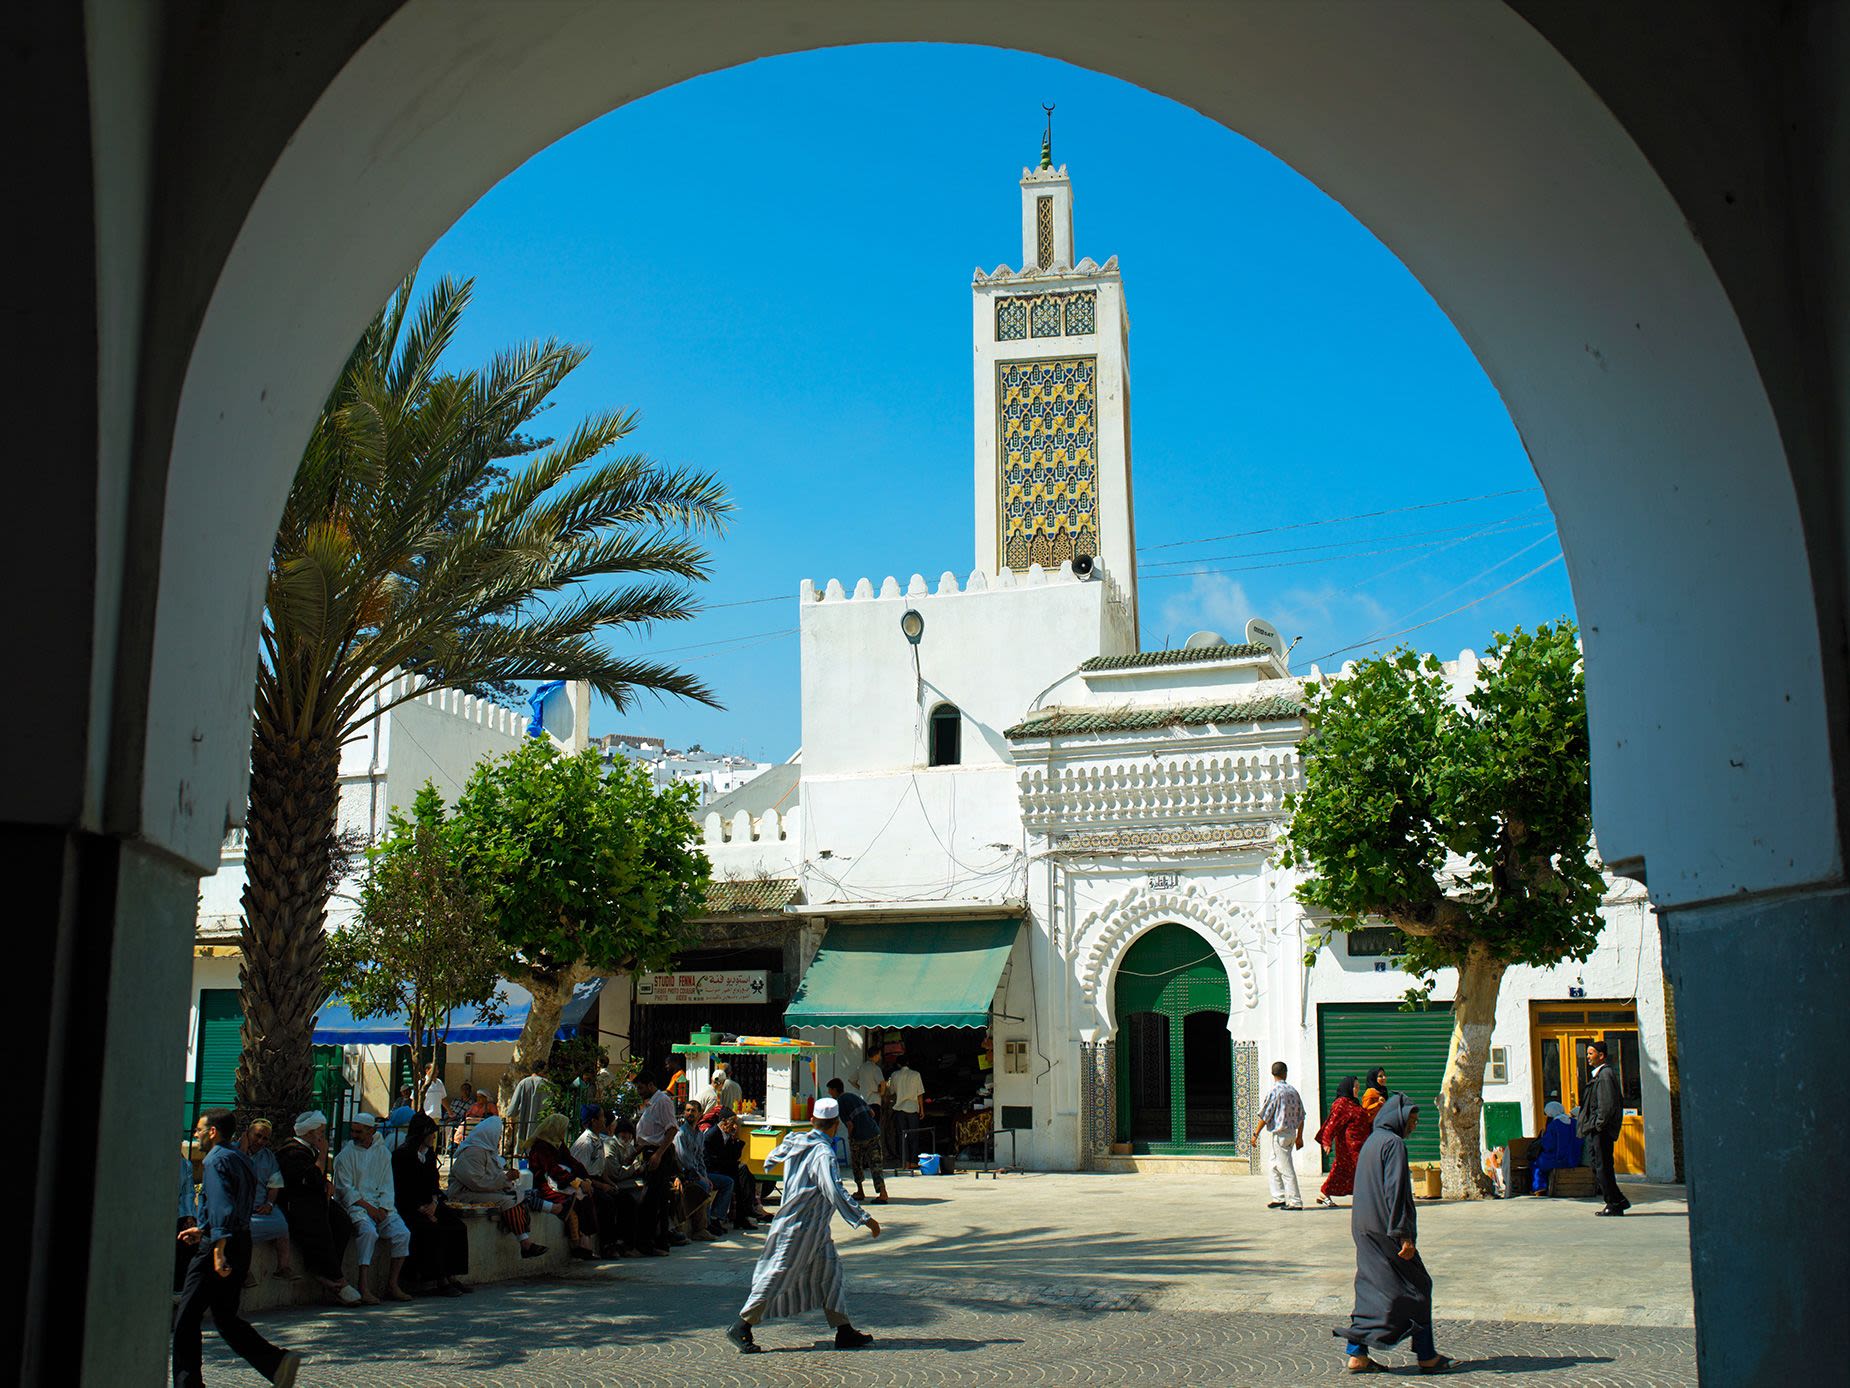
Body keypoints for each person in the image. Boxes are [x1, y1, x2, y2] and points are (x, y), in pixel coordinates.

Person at [725, 1097, 881, 1354]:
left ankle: (844, 1330)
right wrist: (865, 1218)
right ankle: (742, 1325)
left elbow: (773, 1156)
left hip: (816, 1228)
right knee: (778, 1274)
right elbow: (834, 1189)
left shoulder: (799, 1140)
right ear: (835, 1126)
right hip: (799, 1228)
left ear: (812, 1121)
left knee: (832, 1273)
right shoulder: (822, 1153)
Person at [172, 1110, 304, 1388]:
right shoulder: (240, 1158)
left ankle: (188, 1383)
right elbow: (234, 1203)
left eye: (198, 1129)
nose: (194, 1134)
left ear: (212, 1132)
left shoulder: (215, 1161)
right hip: (240, 1240)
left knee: (185, 1319)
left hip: (219, 1248)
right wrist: (204, 1228)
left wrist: (217, 1247)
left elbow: (222, 1205)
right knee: (226, 1318)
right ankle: (276, 1362)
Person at [1337, 1093, 1453, 1374]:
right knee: (1419, 1286)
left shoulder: (1372, 1142)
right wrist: (1404, 1234)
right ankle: (1426, 1355)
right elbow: (1396, 1190)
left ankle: (1357, 1354)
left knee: (1370, 1286)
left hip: (1364, 1226)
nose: (1414, 1124)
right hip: (1386, 1229)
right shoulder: (1393, 1144)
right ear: (1398, 1118)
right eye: (1411, 1119)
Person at [272, 1111, 360, 1304]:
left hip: (314, 1199)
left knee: (342, 1222)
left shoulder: (308, 1150)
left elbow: (317, 1179)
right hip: (297, 1205)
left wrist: (326, 1183)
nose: (322, 1135)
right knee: (319, 1227)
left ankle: (328, 1270)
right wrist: (321, 1158)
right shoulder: (292, 1152)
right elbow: (308, 1178)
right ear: (309, 1133)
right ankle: (337, 1279)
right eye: (319, 1131)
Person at [332, 1112, 413, 1302]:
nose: (354, 1135)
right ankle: (363, 1285)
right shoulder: (345, 1156)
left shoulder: (383, 1153)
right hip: (357, 1207)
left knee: (402, 1234)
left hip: (380, 1206)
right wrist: (369, 1208)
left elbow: (387, 1184)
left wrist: (384, 1208)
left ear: (371, 1131)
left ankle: (392, 1284)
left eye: (359, 1131)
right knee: (368, 1233)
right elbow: (345, 1190)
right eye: (352, 1131)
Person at [392, 1112, 470, 1295]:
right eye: (430, 1134)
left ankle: (452, 1274)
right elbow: (401, 1189)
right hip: (410, 1207)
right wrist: (423, 1210)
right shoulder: (402, 1156)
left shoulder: (428, 1155)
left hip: (430, 1204)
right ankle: (439, 1279)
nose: (433, 1138)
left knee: (456, 1226)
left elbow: (434, 1184)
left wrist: (434, 1204)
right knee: (431, 1230)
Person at [446, 1115, 546, 1259]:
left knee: (516, 1195)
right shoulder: (472, 1152)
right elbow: (477, 1182)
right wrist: (505, 1178)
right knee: (508, 1200)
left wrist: (506, 1181)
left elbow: (492, 1177)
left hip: (477, 1190)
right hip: (463, 1193)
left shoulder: (486, 1151)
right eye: (498, 1136)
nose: (499, 1139)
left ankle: (526, 1242)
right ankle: (525, 1244)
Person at [524, 1112, 602, 1259]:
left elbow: (573, 1162)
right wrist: (578, 1182)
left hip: (562, 1183)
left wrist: (586, 1179)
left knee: (587, 1199)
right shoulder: (541, 1146)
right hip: (546, 1186)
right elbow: (553, 1169)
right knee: (573, 1202)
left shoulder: (558, 1144)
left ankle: (585, 1243)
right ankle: (576, 1243)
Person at [1576, 1038, 1632, 1216]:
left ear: (1601, 1056)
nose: (1588, 1057)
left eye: (1591, 1053)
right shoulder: (1599, 1075)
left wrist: (1598, 1125)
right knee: (1598, 1166)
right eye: (1587, 1054)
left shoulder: (1605, 1075)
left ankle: (1614, 1203)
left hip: (1601, 1130)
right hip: (1597, 1129)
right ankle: (1618, 1200)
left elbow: (1606, 1105)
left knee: (1602, 1167)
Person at [239, 1118, 298, 1282]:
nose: (260, 1141)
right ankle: (244, 1271)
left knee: (282, 1226)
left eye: (265, 1138)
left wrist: (269, 1204)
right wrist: (243, 1150)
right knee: (244, 1232)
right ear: (247, 1134)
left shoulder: (268, 1157)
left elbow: (275, 1184)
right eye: (257, 1136)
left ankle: (283, 1267)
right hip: (240, 1208)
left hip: (261, 1207)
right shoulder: (234, 1152)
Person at [1251, 1060, 1306, 1211]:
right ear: (1285, 1073)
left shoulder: (1275, 1091)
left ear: (1272, 1073)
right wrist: (1299, 1136)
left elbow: (1265, 1115)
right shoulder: (1293, 1091)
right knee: (1274, 1166)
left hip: (1280, 1135)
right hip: (1291, 1133)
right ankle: (1279, 1197)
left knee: (1286, 1168)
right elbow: (1302, 1115)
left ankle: (1295, 1201)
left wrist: (1255, 1134)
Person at [1315, 1076, 1374, 1209]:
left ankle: (1325, 1193)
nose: (1357, 1089)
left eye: (1358, 1086)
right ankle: (1365, 1197)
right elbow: (1332, 1123)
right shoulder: (1341, 1103)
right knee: (1361, 1169)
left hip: (1359, 1144)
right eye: (1355, 1086)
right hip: (1349, 1146)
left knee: (1343, 1171)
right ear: (1348, 1087)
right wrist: (1326, 1142)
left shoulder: (1354, 1102)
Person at [826, 1077, 888, 1204]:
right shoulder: (853, 1096)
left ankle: (860, 1191)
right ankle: (883, 1193)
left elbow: (850, 1125)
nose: (828, 1093)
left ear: (834, 1090)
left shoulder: (840, 1102)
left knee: (857, 1164)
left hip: (859, 1137)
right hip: (873, 1132)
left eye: (829, 1090)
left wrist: (851, 1138)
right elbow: (872, 1113)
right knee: (876, 1164)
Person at [677, 1099, 734, 1236]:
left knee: (728, 1182)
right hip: (687, 1174)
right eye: (688, 1110)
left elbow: (700, 1158)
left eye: (693, 1111)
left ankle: (716, 1218)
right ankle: (703, 1227)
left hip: (700, 1172)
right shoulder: (681, 1134)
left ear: (700, 1113)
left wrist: (705, 1175)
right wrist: (701, 1177)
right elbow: (685, 1160)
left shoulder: (699, 1134)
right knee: (704, 1186)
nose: (690, 1113)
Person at [703, 1108, 760, 1230]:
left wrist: (736, 1139)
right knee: (737, 1176)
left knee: (745, 1174)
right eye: (732, 1122)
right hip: (712, 1169)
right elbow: (710, 1159)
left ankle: (743, 1214)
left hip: (724, 1166)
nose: (734, 1126)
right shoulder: (712, 1136)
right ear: (723, 1121)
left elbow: (734, 1156)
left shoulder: (728, 1135)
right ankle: (726, 1217)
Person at [1530, 1099, 1582, 1194]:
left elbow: (1548, 1145)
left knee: (1536, 1164)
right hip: (1574, 1159)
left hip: (1558, 1160)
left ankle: (1539, 1187)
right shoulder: (1574, 1123)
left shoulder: (1554, 1125)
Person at [886, 1059, 926, 1162]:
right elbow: (920, 1094)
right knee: (914, 1136)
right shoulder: (916, 1074)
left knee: (901, 1136)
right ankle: (913, 1160)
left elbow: (891, 1091)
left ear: (899, 1064)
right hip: (912, 1109)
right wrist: (922, 1109)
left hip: (899, 1109)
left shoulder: (894, 1075)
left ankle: (904, 1161)